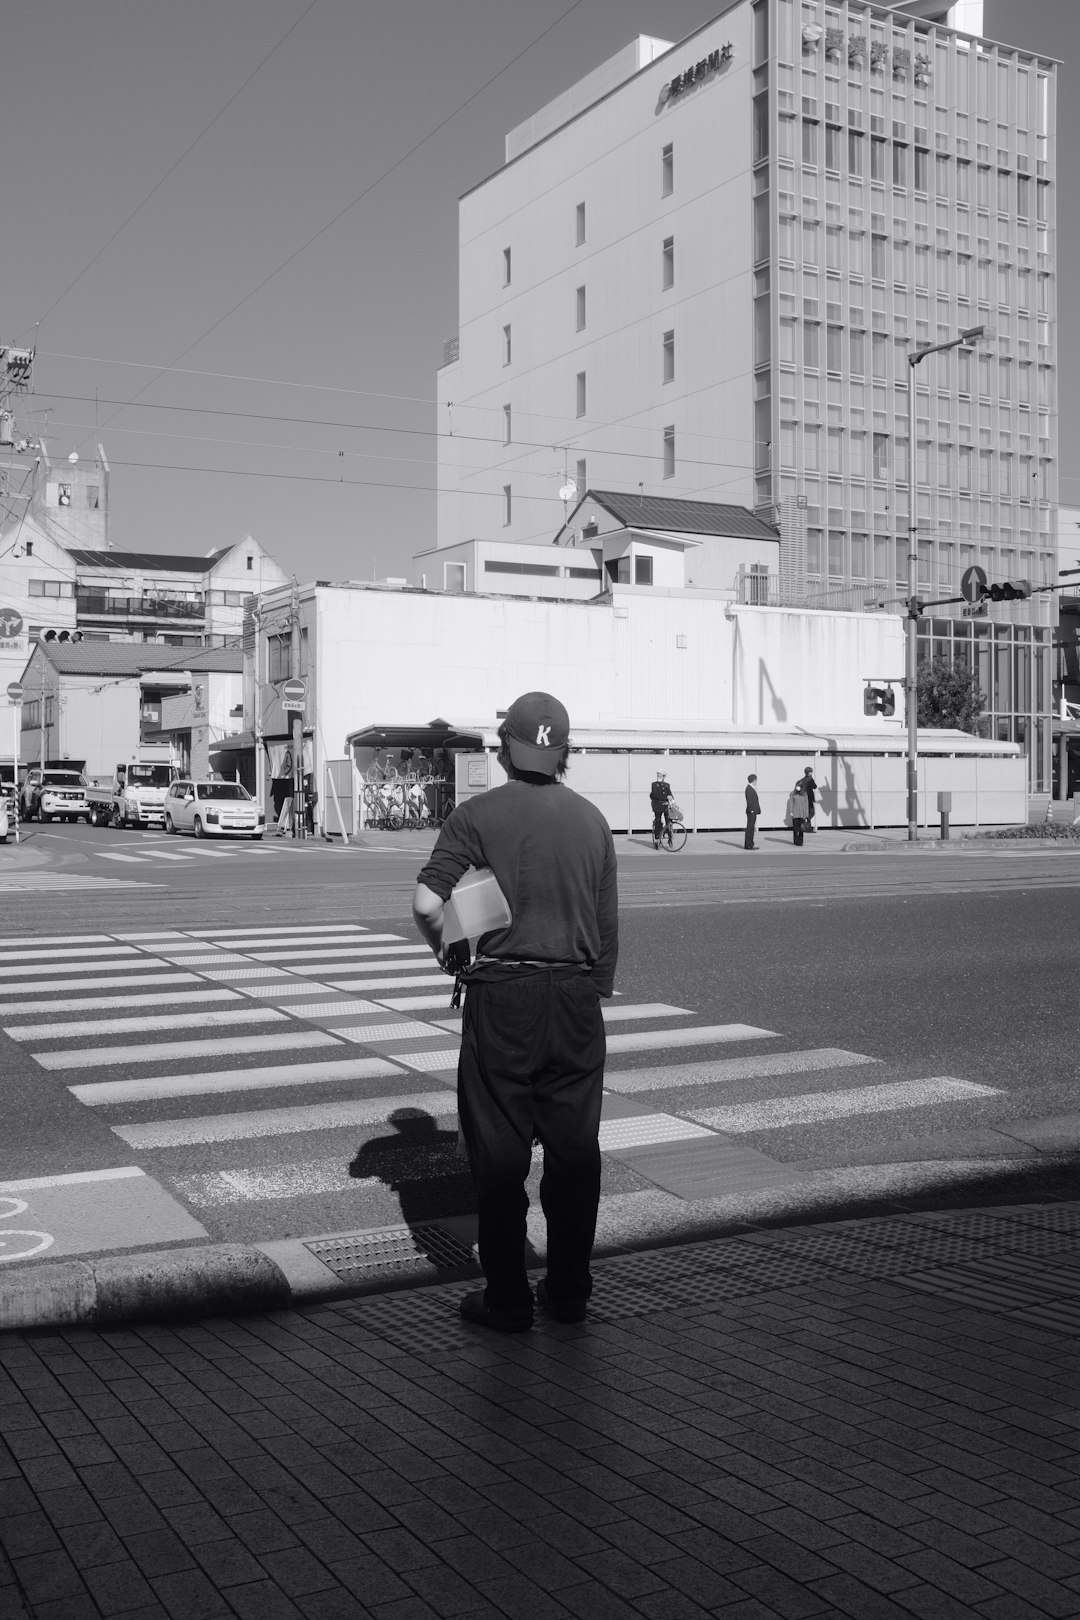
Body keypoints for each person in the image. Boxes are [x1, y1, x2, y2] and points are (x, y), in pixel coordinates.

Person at [412, 692, 618, 1333]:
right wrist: (591, 989)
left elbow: (427, 903)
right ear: (565, 756)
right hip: (577, 999)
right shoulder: (592, 820)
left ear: (503, 750)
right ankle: (570, 1294)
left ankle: (507, 1301)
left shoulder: (475, 816)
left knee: (501, 1158)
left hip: (503, 999)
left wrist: (447, 951)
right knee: (575, 1152)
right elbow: (606, 927)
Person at [650, 770, 673, 847]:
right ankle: (657, 837)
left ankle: (670, 837)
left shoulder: (667, 785)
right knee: (658, 820)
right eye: (658, 775)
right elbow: (655, 795)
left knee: (669, 820)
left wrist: (672, 800)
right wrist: (665, 798)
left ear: (664, 777)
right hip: (657, 805)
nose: (659, 777)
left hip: (666, 806)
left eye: (660, 776)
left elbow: (670, 794)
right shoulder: (654, 784)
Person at [789, 778, 809, 846]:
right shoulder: (793, 794)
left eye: (799, 786)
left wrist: (806, 814)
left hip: (802, 814)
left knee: (801, 829)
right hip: (795, 813)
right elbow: (791, 803)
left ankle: (800, 842)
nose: (798, 787)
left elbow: (806, 804)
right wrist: (791, 811)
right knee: (795, 829)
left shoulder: (804, 794)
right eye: (797, 785)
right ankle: (796, 840)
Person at [799, 765, 819, 832]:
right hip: (809, 798)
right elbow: (815, 786)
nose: (811, 773)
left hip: (804, 797)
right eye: (810, 772)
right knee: (812, 812)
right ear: (808, 772)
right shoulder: (810, 779)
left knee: (807, 813)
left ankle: (808, 828)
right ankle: (805, 823)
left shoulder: (803, 780)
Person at [744, 774, 760, 850]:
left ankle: (750, 843)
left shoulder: (750, 788)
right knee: (750, 828)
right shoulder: (749, 789)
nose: (756, 781)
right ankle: (749, 845)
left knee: (751, 828)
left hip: (752, 811)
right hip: (751, 812)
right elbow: (749, 801)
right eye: (756, 780)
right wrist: (752, 810)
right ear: (754, 780)